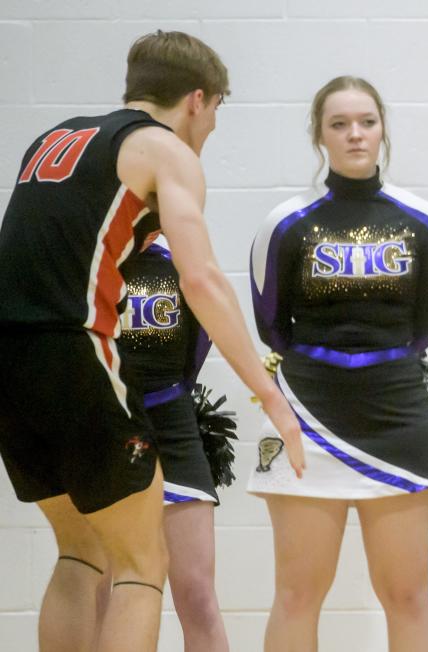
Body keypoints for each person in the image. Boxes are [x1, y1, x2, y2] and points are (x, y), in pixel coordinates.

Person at [0, 30, 303, 652]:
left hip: (8, 362)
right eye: (216, 111)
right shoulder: (164, 151)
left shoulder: (52, 139)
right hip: (72, 351)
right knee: (142, 564)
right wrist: (268, 394)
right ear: (198, 99)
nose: (212, 128)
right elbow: (202, 281)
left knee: (80, 553)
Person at [248, 76, 428, 652]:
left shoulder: (423, 220)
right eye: (339, 124)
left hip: (398, 412)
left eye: (366, 121)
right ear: (320, 135)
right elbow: (271, 323)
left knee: (408, 595)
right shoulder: (286, 222)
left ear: (383, 128)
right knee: (296, 594)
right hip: (307, 413)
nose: (354, 134)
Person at [116, 229, 230, 651]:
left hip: (174, 424)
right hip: (110, 427)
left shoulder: (181, 259)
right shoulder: (94, 256)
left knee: (198, 596)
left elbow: (197, 347)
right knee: (113, 590)